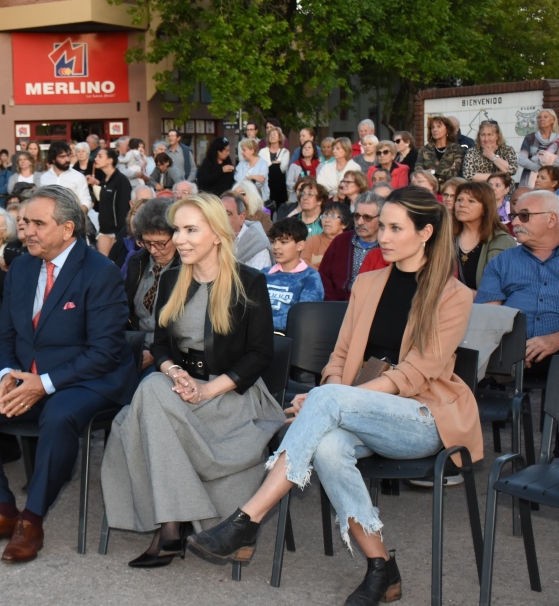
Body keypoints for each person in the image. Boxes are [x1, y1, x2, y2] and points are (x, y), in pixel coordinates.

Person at [188, 187, 480, 606]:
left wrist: (335, 398)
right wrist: (330, 394)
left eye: (396, 228)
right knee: (325, 448)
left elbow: (418, 372)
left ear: (426, 232)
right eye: (383, 226)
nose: (383, 236)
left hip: (423, 417)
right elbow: (341, 356)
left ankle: (247, 518)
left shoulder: (454, 295)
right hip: (361, 408)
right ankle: (382, 569)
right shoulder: (368, 283)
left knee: (327, 401)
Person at [0, 185, 138, 563]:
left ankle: (31, 520)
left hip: (87, 381)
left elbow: (104, 352)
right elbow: (6, 334)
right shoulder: (21, 265)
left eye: (38, 223)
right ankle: (3, 510)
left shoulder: (101, 272)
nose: (27, 231)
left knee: (59, 413)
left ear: (67, 229)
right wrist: (5, 373)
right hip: (26, 376)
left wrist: (44, 384)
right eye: (25, 223)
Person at [101, 192, 285, 568]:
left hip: (233, 394)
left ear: (216, 234)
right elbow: (161, 346)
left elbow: (260, 355)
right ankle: (175, 523)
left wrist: (208, 388)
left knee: (142, 406)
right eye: (177, 230)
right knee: (152, 388)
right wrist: (175, 372)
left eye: (190, 230)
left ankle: (170, 528)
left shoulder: (249, 282)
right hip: (179, 389)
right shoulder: (171, 281)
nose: (178, 239)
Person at [476, 190, 559, 381]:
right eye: (514, 216)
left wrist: (555, 340)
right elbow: (488, 319)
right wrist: (512, 349)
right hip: (512, 363)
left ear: (551, 220)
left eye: (524, 216)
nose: (514, 223)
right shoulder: (502, 262)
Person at [124, 198, 179, 374]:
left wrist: (156, 355)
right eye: (147, 243)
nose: (153, 250)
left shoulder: (187, 269)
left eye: (161, 243)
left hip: (169, 355)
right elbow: (124, 310)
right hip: (134, 345)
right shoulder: (138, 261)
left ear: (176, 237)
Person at [318, 192, 388, 301]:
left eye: (367, 218)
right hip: (336, 307)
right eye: (357, 216)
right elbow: (324, 276)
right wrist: (332, 304)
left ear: (380, 219)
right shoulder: (341, 241)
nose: (360, 222)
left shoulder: (387, 246)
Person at [453, 181, 516, 294]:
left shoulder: (502, 241)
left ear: (485, 208)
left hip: (485, 307)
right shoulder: (446, 237)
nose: (462, 204)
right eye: (459, 200)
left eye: (471, 201)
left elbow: (503, 288)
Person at [263, 218, 324, 332]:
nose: (276, 247)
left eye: (283, 242)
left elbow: (303, 317)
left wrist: (262, 322)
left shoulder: (310, 278)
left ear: (300, 245)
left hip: (289, 340)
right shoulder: (264, 274)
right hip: (258, 336)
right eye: (273, 241)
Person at [91, 147, 133, 257]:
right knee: (103, 264)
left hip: (117, 231)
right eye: (96, 156)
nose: (96, 159)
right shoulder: (104, 181)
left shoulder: (121, 180)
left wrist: (120, 232)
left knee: (116, 264)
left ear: (110, 160)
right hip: (104, 229)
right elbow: (100, 205)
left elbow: (124, 208)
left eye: (100, 156)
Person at [221, 191, 271, 270]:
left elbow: (258, 281)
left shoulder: (258, 245)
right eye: (218, 213)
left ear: (241, 218)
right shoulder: (210, 238)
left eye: (228, 214)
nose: (221, 218)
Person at [39, 141, 91, 212]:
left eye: (68, 155)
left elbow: (86, 200)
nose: (67, 159)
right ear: (53, 159)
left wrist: (78, 216)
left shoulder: (78, 176)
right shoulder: (43, 178)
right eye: (62, 157)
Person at [418, 115, 463, 191]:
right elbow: (418, 172)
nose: (435, 130)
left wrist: (431, 171)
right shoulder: (424, 150)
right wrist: (446, 170)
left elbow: (454, 173)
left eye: (439, 126)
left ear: (447, 129)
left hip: (448, 191)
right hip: (429, 190)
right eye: (432, 127)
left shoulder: (456, 149)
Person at [302, 201, 352, 269]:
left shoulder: (349, 245)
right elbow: (303, 263)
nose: (327, 220)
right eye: (324, 216)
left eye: (333, 216)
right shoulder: (313, 240)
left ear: (344, 224)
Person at [517, 108, 559, 188]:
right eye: (539, 117)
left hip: (553, 178)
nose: (541, 119)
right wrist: (538, 168)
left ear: (552, 120)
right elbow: (521, 160)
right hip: (530, 178)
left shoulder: (558, 140)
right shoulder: (530, 137)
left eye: (545, 117)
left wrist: (543, 160)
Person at [259, 128, 290, 207]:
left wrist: (271, 164)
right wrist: (275, 163)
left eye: (275, 134)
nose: (272, 136)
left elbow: (283, 168)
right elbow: (263, 166)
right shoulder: (263, 151)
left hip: (280, 185)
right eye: (270, 135)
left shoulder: (285, 152)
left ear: (279, 137)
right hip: (266, 183)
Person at [235, 139, 270, 204]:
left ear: (252, 151)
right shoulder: (241, 164)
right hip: (244, 200)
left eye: (244, 150)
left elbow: (259, 183)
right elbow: (238, 180)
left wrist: (247, 178)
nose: (241, 153)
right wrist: (252, 177)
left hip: (260, 200)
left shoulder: (263, 164)